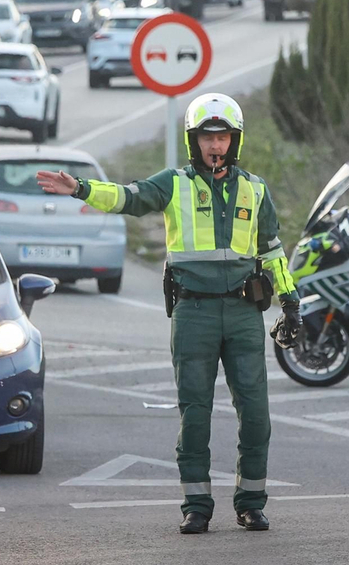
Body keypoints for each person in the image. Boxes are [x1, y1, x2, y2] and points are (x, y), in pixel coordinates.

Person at [36, 93, 304, 534]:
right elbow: (129, 197)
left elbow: (272, 251)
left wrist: (291, 305)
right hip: (193, 313)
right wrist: (81, 188)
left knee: (256, 415)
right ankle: (196, 504)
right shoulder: (175, 183)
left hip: (242, 314)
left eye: (222, 137)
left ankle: (251, 502)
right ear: (193, 141)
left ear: (235, 141)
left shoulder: (255, 190)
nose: (214, 146)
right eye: (206, 137)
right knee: (194, 414)